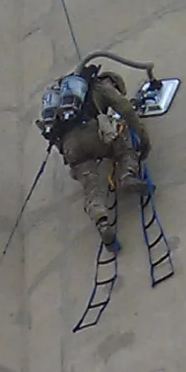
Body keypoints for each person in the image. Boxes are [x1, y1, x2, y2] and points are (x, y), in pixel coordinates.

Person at [44, 64, 148, 243]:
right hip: (92, 132)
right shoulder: (101, 86)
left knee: (90, 185)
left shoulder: (64, 100)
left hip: (70, 146)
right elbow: (126, 109)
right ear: (113, 82)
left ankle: (101, 221)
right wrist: (144, 139)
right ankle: (127, 177)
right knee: (124, 150)